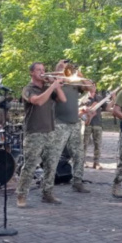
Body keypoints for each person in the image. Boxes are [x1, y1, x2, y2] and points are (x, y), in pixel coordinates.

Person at [15, 62, 66, 207]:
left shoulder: (47, 88)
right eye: (39, 70)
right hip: (34, 132)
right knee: (30, 165)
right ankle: (21, 195)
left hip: (50, 131)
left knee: (51, 164)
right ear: (31, 73)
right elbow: (38, 101)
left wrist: (54, 83)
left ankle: (47, 193)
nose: (42, 72)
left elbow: (63, 99)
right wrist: (52, 86)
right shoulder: (28, 89)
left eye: (44, 70)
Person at [42, 59, 92, 195]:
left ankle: (77, 182)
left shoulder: (74, 83)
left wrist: (80, 77)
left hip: (74, 123)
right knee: (55, 154)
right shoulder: (54, 83)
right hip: (60, 123)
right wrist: (58, 73)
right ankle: (47, 186)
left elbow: (91, 88)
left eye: (68, 69)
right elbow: (56, 98)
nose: (67, 71)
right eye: (64, 68)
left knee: (79, 154)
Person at [79, 83, 115, 170]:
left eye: (94, 86)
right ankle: (82, 161)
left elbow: (107, 108)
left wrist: (113, 99)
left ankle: (96, 162)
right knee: (84, 144)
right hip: (87, 123)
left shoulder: (99, 98)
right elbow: (79, 111)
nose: (93, 87)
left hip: (97, 123)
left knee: (98, 144)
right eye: (91, 85)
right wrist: (87, 113)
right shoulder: (83, 98)